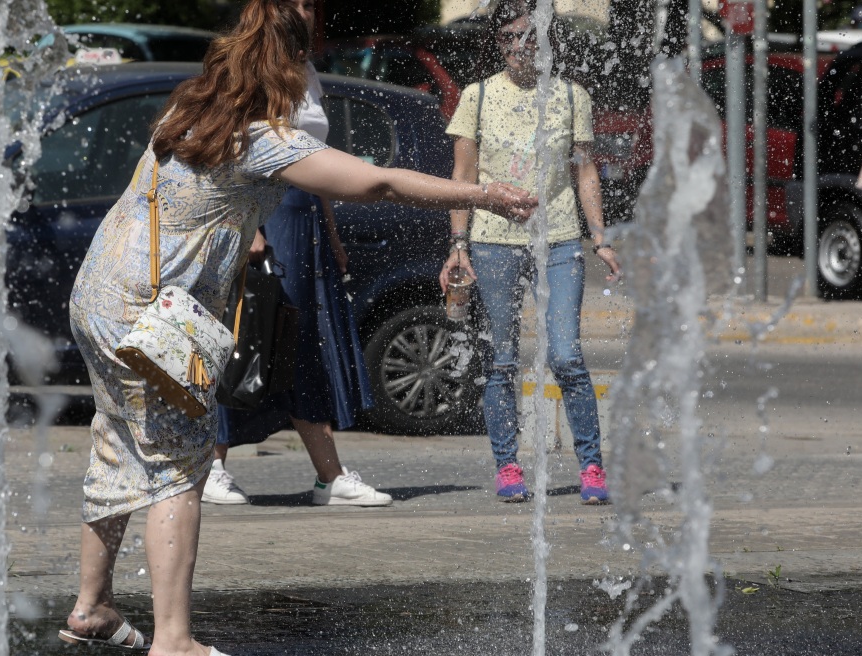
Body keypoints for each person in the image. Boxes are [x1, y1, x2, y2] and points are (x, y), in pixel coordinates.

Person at [59, 1, 537, 654]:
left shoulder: (188, 109)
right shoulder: (262, 139)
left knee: (119, 439)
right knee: (179, 464)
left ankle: (92, 606)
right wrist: (482, 195)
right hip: (154, 314)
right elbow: (376, 182)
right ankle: (174, 641)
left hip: (99, 294)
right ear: (283, 70)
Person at [203, 0, 390, 509]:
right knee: (246, 333)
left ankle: (329, 477)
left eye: (311, 4)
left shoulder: (305, 71)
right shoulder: (245, 68)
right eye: (296, 3)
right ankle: (212, 466)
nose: (306, 13)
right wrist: (249, 229)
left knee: (301, 342)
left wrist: (329, 231)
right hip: (266, 212)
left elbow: (317, 161)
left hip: (304, 217)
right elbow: (229, 151)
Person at [438, 0, 619, 505]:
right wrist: (458, 245)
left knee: (566, 356)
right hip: (493, 243)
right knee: (500, 360)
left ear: (546, 40)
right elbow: (463, 180)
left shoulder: (570, 96)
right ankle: (508, 464)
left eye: (527, 37)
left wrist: (600, 237)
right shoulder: (476, 97)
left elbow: (585, 172)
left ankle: (591, 468)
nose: (519, 48)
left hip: (559, 241)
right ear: (496, 44)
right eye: (508, 39)